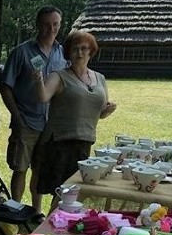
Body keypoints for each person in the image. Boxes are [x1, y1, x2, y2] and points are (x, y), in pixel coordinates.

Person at [33, 29, 117, 208]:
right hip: (60, 142)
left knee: (75, 191)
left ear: (91, 51)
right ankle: (49, 227)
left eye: (84, 48)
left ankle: (60, 224)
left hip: (85, 141)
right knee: (63, 191)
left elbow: (99, 113)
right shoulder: (59, 76)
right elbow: (43, 97)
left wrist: (107, 111)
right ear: (68, 52)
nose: (79, 53)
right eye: (75, 49)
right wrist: (38, 79)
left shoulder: (100, 78)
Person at [0, 5, 67, 217]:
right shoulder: (22, 52)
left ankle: (36, 212)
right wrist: (16, 116)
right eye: (46, 24)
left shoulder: (62, 54)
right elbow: (5, 86)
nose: (51, 29)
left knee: (39, 168)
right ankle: (15, 210)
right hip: (26, 120)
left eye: (55, 24)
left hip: (50, 124)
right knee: (20, 168)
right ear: (38, 25)